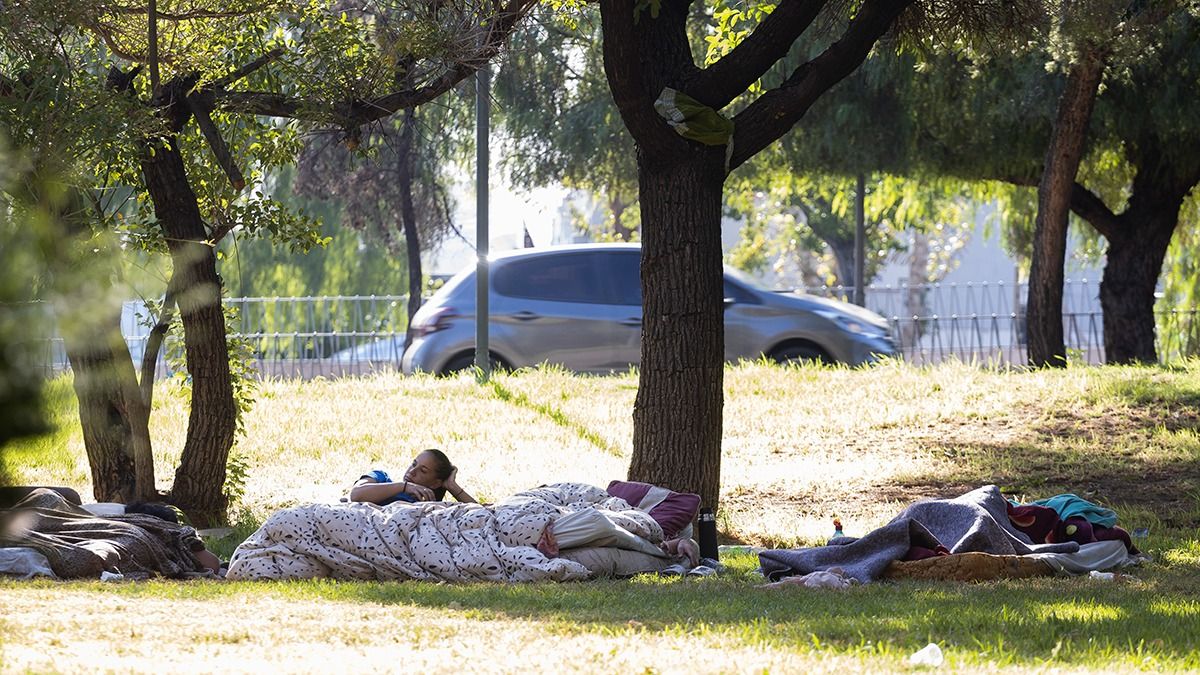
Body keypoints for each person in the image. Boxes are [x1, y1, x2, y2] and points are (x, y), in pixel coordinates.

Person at [348, 448, 477, 505]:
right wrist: (403, 487)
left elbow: (482, 515)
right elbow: (356, 495)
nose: (412, 471)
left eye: (423, 471)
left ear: (435, 483)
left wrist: (452, 486)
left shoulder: (430, 507)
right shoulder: (381, 478)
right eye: (414, 464)